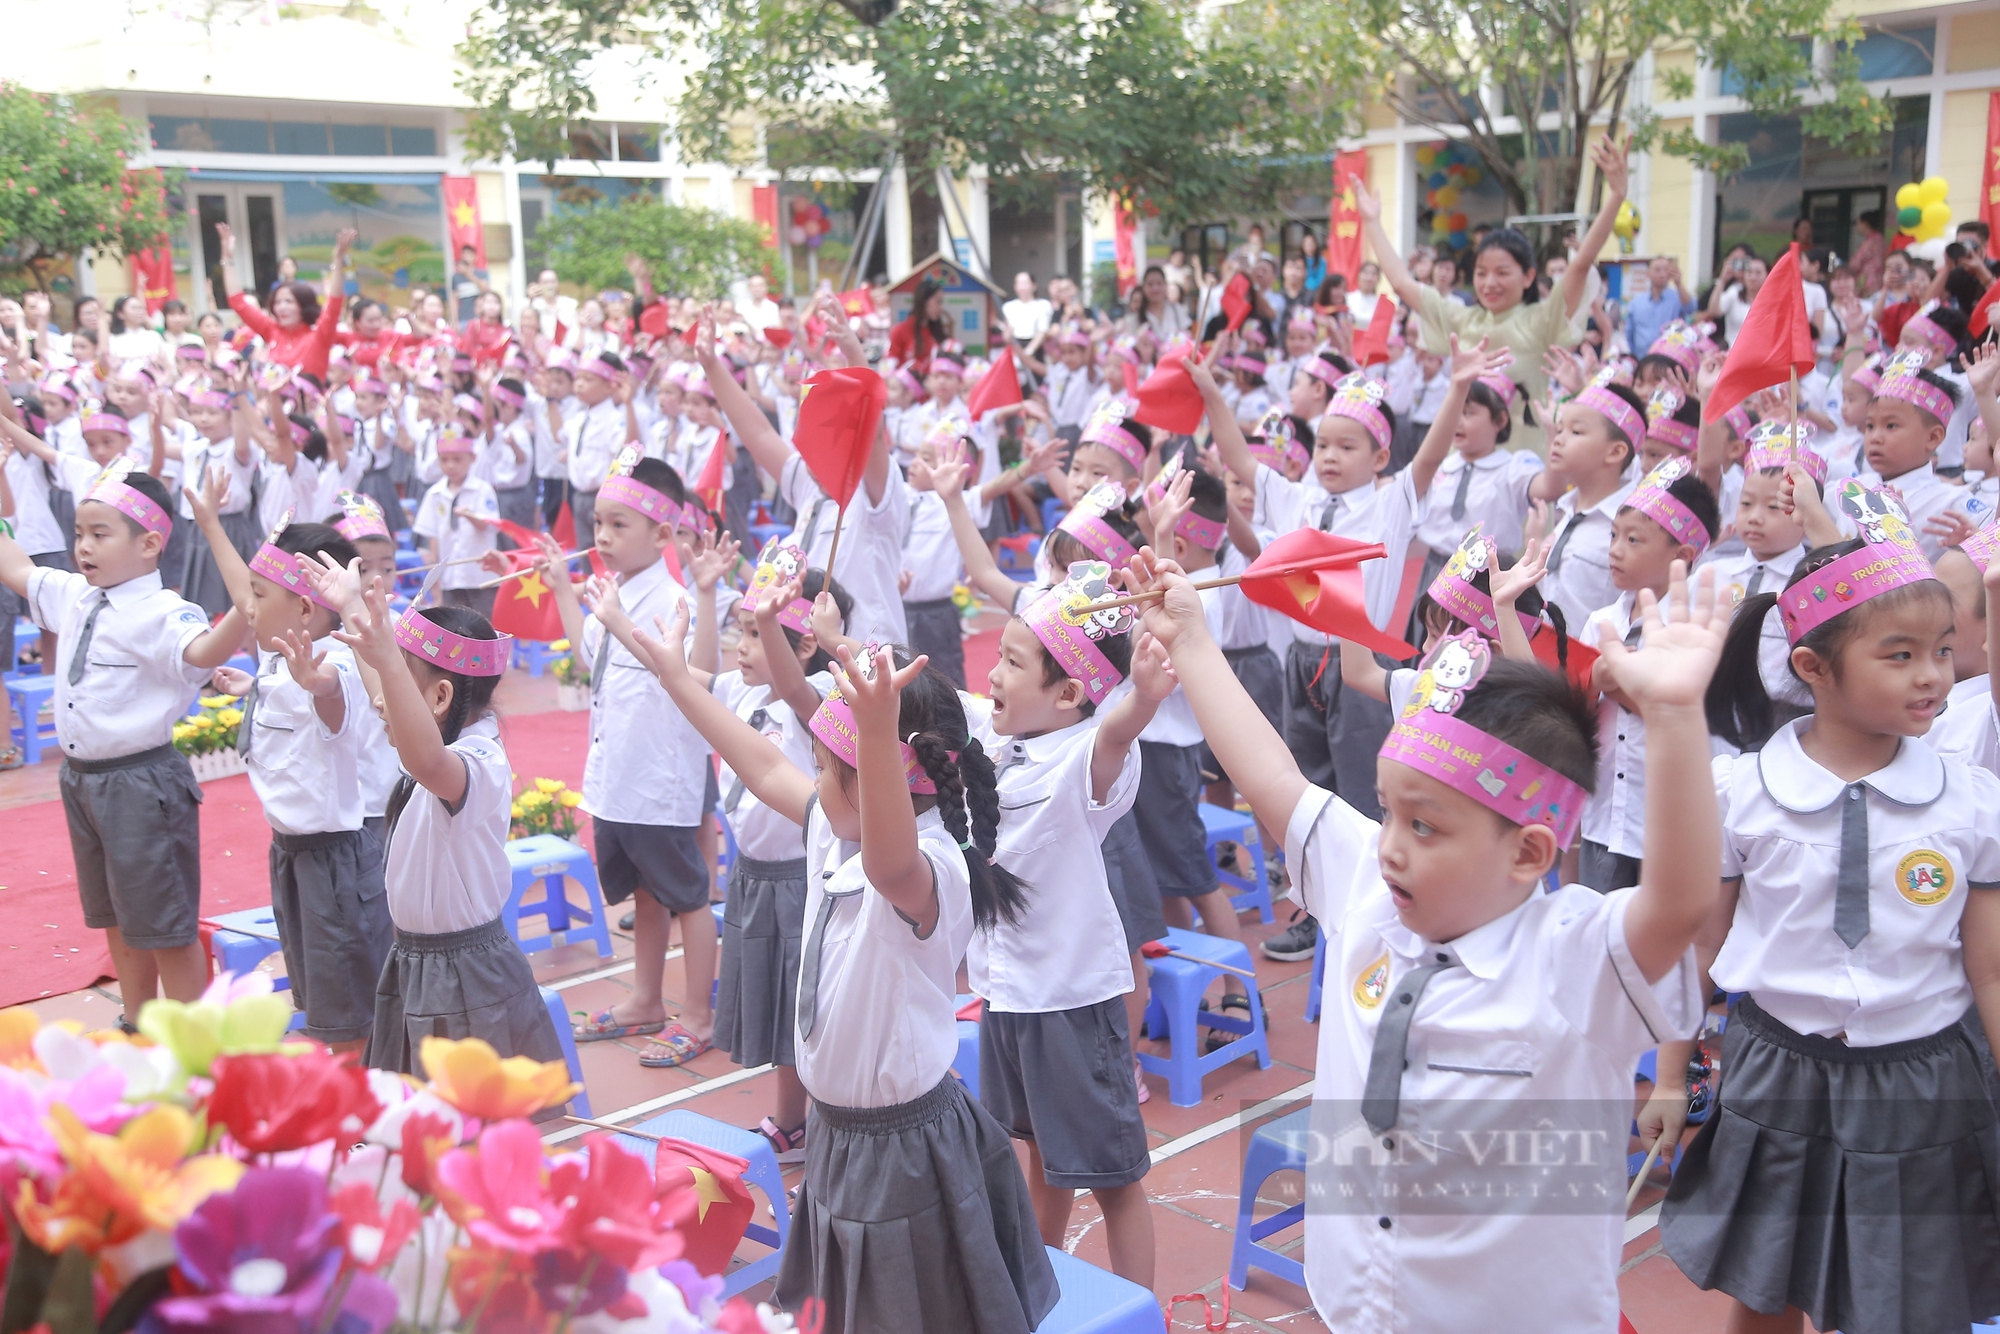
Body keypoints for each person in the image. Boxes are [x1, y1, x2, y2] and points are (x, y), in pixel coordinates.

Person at [1125, 541, 1720, 1331]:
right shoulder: (1370, 889)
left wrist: (1677, 717)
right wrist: (1192, 640)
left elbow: (1678, 903)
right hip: (1358, 1305)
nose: (1392, 843)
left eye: (1427, 826)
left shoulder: (1573, 956)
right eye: (1388, 810)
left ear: (1530, 852)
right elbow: (1275, 781)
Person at [628, 605, 1059, 1334]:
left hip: (903, 1147)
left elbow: (892, 859)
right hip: (839, 1133)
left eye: (829, 768)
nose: (815, 782)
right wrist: (676, 679)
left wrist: (876, 739)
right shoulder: (838, 827)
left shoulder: (933, 869)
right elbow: (763, 764)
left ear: (884, 777)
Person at [1677, 481, 2000, 1334]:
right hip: (1779, 1068)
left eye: (1940, 649)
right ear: (1813, 668)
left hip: (1926, 1076)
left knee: (1915, 1296)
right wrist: (1673, 1073)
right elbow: (1699, 950)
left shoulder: (1971, 801)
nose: (1932, 675)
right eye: (1898, 655)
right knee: (1766, 1287)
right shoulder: (1740, 792)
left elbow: (1991, 973)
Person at [0, 462, 243, 1025]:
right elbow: (14, 565)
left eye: (99, 534)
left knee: (165, 923)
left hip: (142, 782)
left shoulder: (162, 612)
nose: (83, 547)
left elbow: (206, 654)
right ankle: (136, 1022)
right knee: (114, 914)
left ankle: (192, 1041)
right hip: (82, 780)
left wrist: (245, 612)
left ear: (150, 543)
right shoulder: (76, 596)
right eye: (79, 533)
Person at [190, 499, 388, 1054]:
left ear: (304, 610)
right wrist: (209, 522)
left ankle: (364, 1112)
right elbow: (243, 590)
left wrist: (317, 685)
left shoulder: (336, 665)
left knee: (348, 1003)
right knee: (321, 993)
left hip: (334, 858)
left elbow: (331, 701)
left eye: (260, 596)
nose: (246, 608)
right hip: (293, 853)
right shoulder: (279, 659)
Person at [1359, 136, 1631, 454]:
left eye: (1502, 273)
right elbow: (1403, 285)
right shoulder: (1462, 319)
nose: (1489, 283)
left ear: (1529, 276)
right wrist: (1372, 222)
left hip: (1524, 464)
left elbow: (1581, 264)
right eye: (1481, 273)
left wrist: (1615, 196)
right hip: (1463, 463)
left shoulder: (1543, 319)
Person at [698, 301, 913, 646]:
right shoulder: (809, 486)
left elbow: (871, 428)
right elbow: (760, 434)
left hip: (869, 658)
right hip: (810, 657)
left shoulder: (873, 499)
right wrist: (712, 366)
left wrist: (853, 352)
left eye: (824, 443)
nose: (809, 457)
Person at [1579, 458, 1720, 892]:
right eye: (1614, 535)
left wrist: (1613, 685)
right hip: (1604, 815)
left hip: (1664, 821)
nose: (1615, 549)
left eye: (1634, 539)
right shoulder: (1602, 621)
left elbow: (1688, 716)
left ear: (1681, 556)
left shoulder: (1700, 630)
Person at [1541, 371, 1646, 632]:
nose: (1559, 438)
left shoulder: (1636, 523)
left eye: (1576, 431)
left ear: (1615, 451)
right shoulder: (1567, 509)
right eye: (1560, 428)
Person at [218, 224, 353, 380]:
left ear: (304, 306)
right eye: (278, 302)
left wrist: (338, 259)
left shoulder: (320, 334)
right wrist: (227, 259)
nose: (282, 307)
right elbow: (238, 302)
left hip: (311, 403)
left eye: (289, 302)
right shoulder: (271, 330)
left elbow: (334, 303)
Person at [413, 430, 499, 618]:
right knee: (454, 625)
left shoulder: (482, 490)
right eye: (444, 460)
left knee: (483, 622)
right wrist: (434, 575)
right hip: (450, 576)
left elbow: (490, 525)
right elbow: (432, 535)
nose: (451, 465)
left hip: (479, 575)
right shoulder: (435, 494)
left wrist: (470, 516)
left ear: (472, 458)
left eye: (457, 459)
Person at [563, 351, 630, 546]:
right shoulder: (580, 418)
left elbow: (626, 453)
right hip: (579, 495)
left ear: (609, 386)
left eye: (588, 379)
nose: (579, 384)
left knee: (603, 556)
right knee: (585, 552)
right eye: (578, 378)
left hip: (603, 496)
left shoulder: (614, 420)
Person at [1625, 256, 1695, 359]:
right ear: (1648, 273)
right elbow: (1630, 333)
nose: (1662, 274)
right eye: (1657, 270)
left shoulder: (1677, 297)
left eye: (1666, 270)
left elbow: (1691, 309)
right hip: (1642, 359)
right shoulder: (1636, 303)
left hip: (1671, 359)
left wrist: (1679, 284)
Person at [888, 275, 953, 375]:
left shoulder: (937, 331)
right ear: (924, 301)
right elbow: (891, 365)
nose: (940, 308)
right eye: (938, 302)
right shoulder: (901, 330)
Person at [1002, 272, 1054, 351]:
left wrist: (1029, 352)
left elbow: (1042, 331)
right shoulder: (1008, 306)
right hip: (1015, 347)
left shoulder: (1043, 305)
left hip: (1036, 347)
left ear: (1034, 286)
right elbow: (1007, 332)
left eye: (1024, 283)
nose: (1021, 287)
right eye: (1018, 283)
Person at [1852, 209, 1889, 295]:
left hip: (1868, 281)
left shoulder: (1871, 241)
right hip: (1880, 280)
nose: (1858, 226)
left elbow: (1856, 264)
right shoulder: (1880, 239)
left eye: (1858, 223)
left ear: (1865, 224)